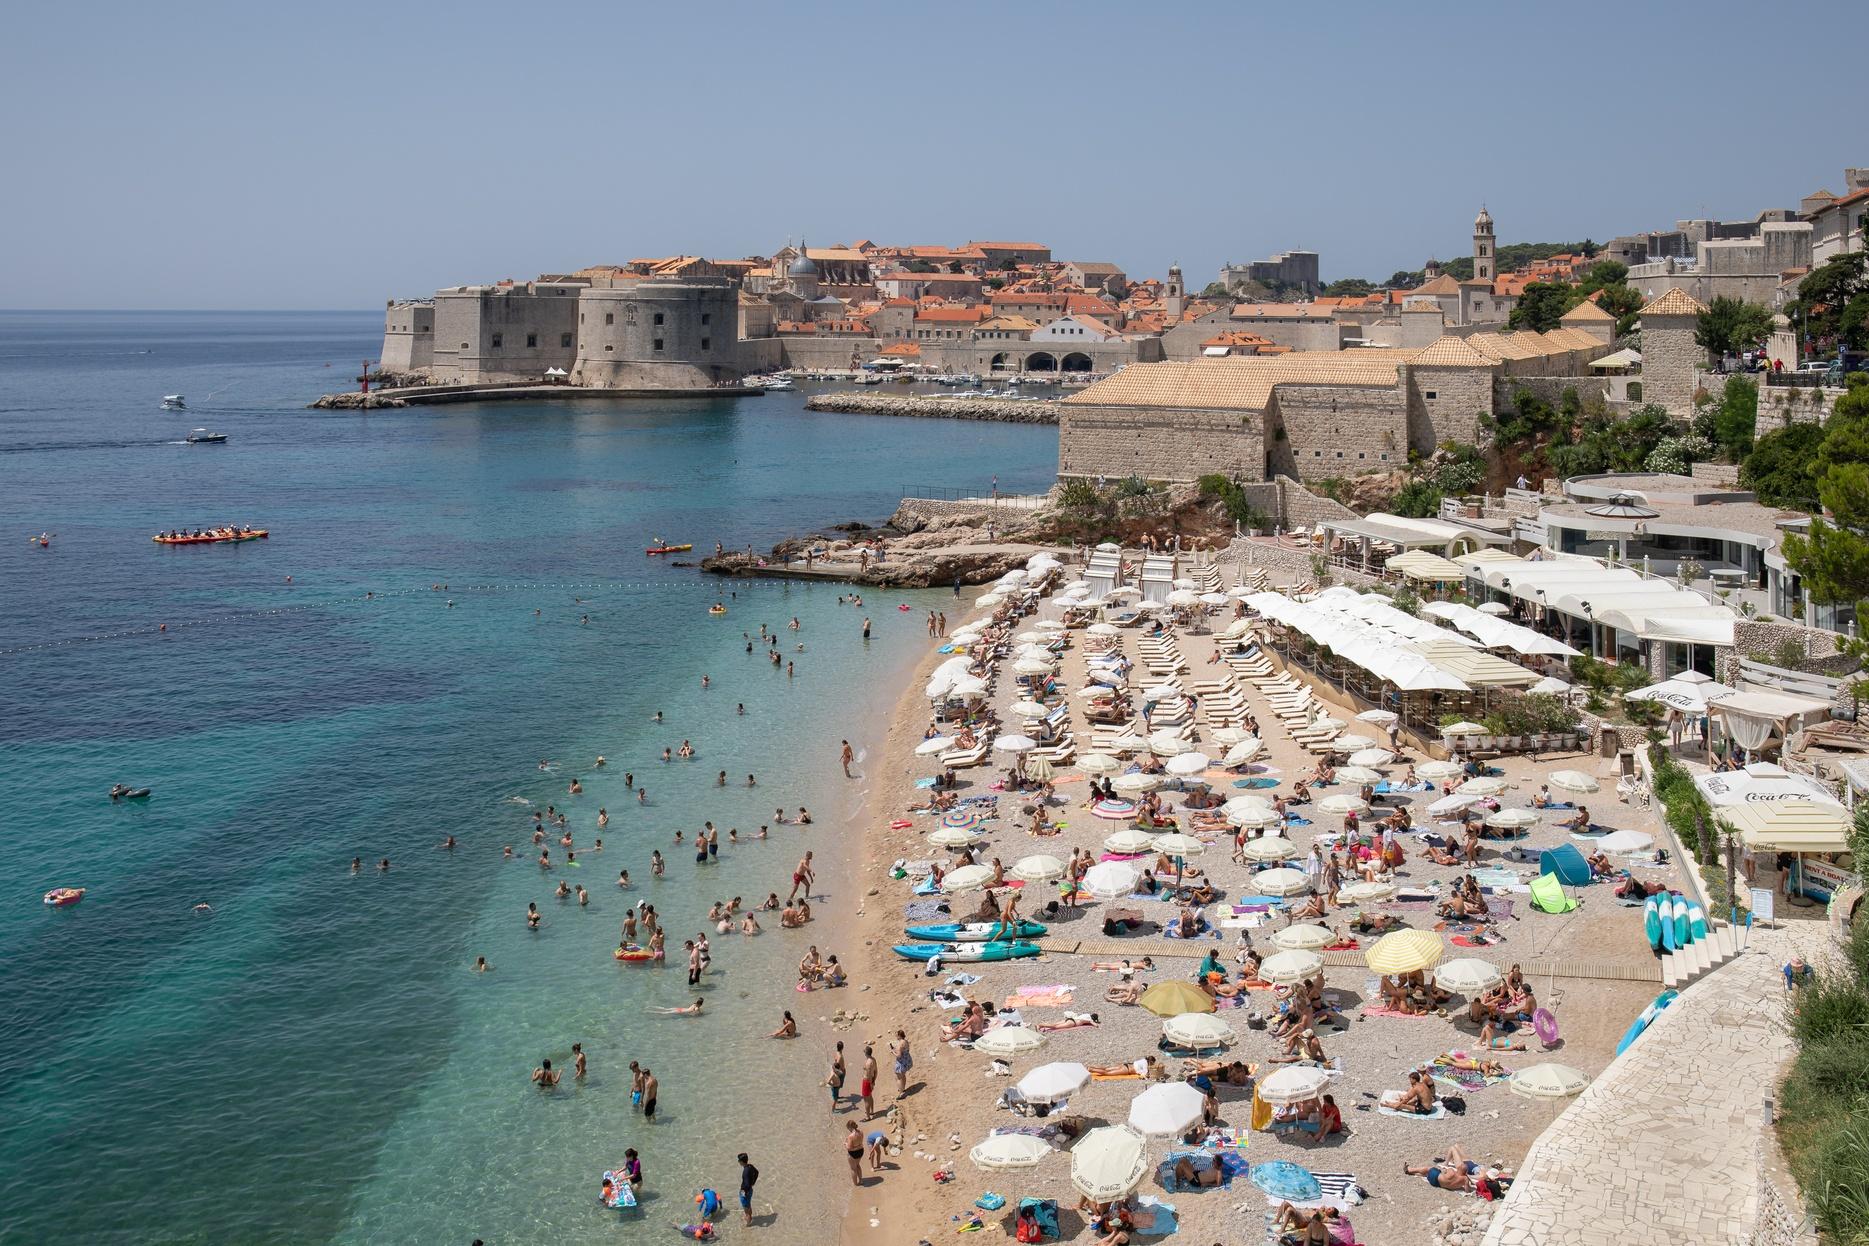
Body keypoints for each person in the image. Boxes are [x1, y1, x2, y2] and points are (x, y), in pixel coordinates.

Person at [737, 1153, 758, 1226]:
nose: (738, 1162)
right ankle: (750, 1217)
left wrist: (744, 1192)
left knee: (746, 1209)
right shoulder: (750, 1166)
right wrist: (753, 1182)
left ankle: (748, 1225)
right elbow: (757, 1172)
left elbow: (746, 1184)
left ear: (742, 1161)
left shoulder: (745, 1171)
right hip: (750, 1190)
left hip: (746, 1192)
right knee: (748, 1205)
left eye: (738, 1160)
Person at [891, 1029, 913, 1096]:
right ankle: (903, 1089)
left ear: (899, 1036)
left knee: (898, 1077)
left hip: (901, 1063)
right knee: (903, 1075)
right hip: (907, 1060)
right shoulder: (905, 1041)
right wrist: (896, 1049)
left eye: (897, 1036)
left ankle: (901, 1093)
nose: (896, 1037)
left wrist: (893, 1052)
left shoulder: (900, 1044)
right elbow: (904, 1050)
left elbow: (899, 1056)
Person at [844, 1120, 865, 1186]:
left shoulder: (850, 1137)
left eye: (848, 1129)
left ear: (850, 1127)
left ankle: (855, 1184)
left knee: (853, 1169)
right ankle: (861, 1180)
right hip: (861, 1151)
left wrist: (845, 1144)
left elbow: (849, 1148)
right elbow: (860, 1143)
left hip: (853, 1154)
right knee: (857, 1165)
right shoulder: (861, 1132)